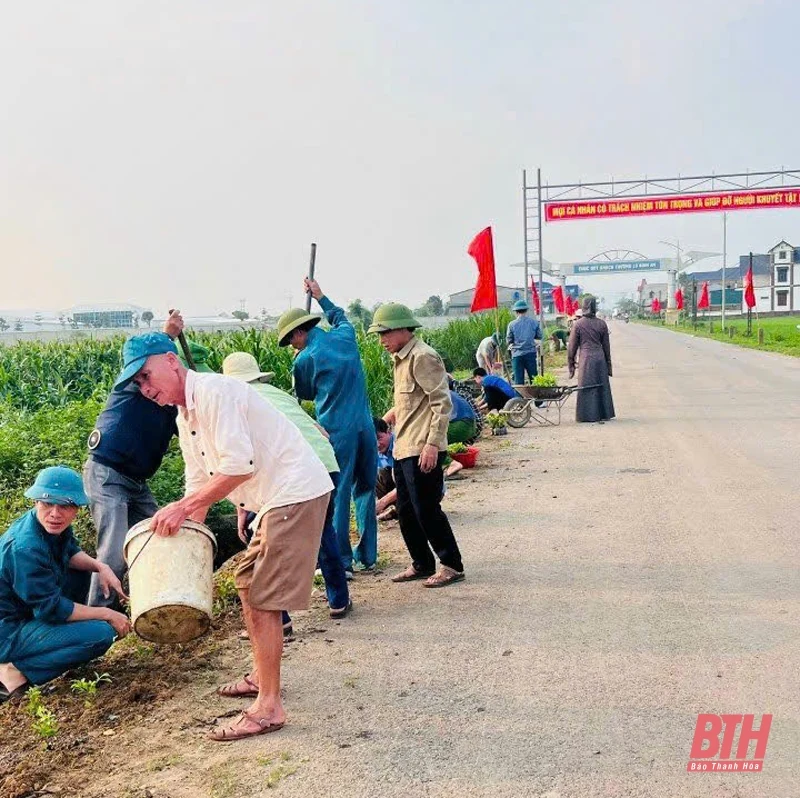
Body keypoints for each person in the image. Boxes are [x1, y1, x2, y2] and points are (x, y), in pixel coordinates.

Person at [118, 333, 333, 741]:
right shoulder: (186, 417)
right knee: (249, 586)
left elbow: (238, 467)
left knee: (259, 591)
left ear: (171, 361)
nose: (147, 389)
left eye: (148, 376)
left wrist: (181, 510)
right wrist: (180, 535)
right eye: (139, 385)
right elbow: (197, 484)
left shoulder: (216, 392)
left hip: (293, 491)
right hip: (273, 499)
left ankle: (269, 706)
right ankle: (261, 675)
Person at [222, 352, 350, 618]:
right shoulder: (279, 395)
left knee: (270, 546)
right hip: (326, 465)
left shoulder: (237, 403)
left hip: (293, 476)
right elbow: (320, 432)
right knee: (324, 534)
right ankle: (339, 601)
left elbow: (242, 460)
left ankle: (278, 620)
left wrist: (242, 508)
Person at [0, 467, 130, 702]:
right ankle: (13, 670)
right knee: (101, 634)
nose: (55, 513)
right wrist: (106, 613)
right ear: (36, 502)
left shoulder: (47, 525)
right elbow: (51, 609)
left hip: (25, 610)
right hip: (7, 629)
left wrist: (102, 567)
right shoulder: (25, 548)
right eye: (47, 504)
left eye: (65, 506)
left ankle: (48, 642)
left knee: (81, 572)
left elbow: (69, 552)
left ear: (77, 509)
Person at [83, 311, 185, 609]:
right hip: (107, 474)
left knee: (158, 537)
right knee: (113, 553)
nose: (147, 384)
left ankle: (153, 605)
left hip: (136, 480)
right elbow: (144, 363)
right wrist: (167, 336)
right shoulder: (135, 383)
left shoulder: (173, 399)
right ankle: (99, 620)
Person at [277, 280, 377, 578]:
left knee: (339, 490)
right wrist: (321, 296)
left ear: (299, 332)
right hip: (365, 425)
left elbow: (306, 394)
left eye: (290, 340)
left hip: (336, 429)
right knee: (366, 487)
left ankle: (342, 561)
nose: (291, 345)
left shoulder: (305, 358)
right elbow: (341, 317)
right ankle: (368, 555)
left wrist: (299, 362)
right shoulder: (345, 337)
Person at [368, 304, 464, 588]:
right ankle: (421, 563)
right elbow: (405, 406)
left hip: (423, 447)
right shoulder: (400, 360)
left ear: (402, 329)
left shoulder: (423, 357)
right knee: (408, 511)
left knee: (427, 508)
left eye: (384, 333)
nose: (381, 340)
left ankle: (451, 564)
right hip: (404, 446)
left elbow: (441, 402)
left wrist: (433, 444)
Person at [567, 297, 615, 423]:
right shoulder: (602, 324)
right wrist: (608, 366)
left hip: (586, 358)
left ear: (583, 307)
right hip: (600, 357)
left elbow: (571, 347)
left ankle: (585, 415)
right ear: (594, 308)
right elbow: (606, 347)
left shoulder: (578, 324)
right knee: (601, 384)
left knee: (585, 386)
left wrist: (571, 365)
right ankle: (604, 413)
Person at [506, 299, 542, 385]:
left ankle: (519, 398)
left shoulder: (511, 324)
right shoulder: (534, 323)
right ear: (526, 310)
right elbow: (539, 336)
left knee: (518, 381)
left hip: (517, 355)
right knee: (534, 379)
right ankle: (536, 397)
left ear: (516, 312)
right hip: (530, 353)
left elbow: (509, 340)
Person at [374, 417, 398, 521]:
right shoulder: (372, 451)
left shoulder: (400, 444)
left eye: (379, 438)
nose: (377, 445)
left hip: (423, 489)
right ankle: (395, 509)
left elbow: (406, 483)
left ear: (388, 432)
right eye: (372, 440)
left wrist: (382, 502)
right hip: (398, 490)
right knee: (375, 473)